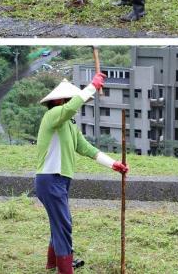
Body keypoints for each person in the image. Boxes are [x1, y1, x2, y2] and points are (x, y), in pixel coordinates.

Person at [35, 74, 128, 274]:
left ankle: (53, 264)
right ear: (59, 101)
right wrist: (92, 86)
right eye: (69, 100)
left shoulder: (69, 125)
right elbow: (69, 109)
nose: (72, 105)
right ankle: (65, 270)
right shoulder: (52, 116)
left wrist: (113, 164)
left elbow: (85, 148)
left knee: (58, 222)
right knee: (63, 225)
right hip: (50, 179)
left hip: (59, 180)